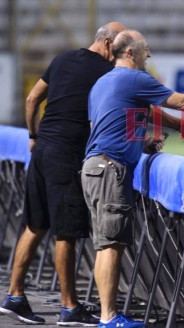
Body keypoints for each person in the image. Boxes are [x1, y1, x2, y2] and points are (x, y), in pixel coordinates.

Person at [81, 29, 184, 328]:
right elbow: (182, 102)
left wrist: (140, 143)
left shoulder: (103, 83)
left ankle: (108, 314)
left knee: (106, 243)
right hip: (110, 169)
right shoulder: (135, 78)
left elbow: (107, 122)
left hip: (95, 167)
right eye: (146, 49)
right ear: (131, 53)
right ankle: (108, 318)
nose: (150, 55)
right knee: (110, 245)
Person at [0, 22, 126, 326]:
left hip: (43, 149)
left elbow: (32, 100)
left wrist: (33, 135)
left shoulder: (62, 59)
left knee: (35, 224)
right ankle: (69, 307)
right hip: (67, 153)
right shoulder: (108, 73)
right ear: (108, 45)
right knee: (66, 231)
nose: (122, 55)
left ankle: (15, 297)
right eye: (120, 49)